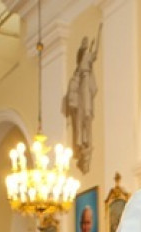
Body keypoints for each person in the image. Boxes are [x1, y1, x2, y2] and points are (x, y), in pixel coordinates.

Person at [63, 27, 100, 173]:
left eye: (86, 43)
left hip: (85, 90)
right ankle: (81, 142)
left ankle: (85, 142)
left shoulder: (85, 71)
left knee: (87, 114)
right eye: (83, 45)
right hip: (79, 98)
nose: (85, 45)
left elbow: (95, 53)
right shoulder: (76, 75)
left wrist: (99, 32)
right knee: (80, 120)